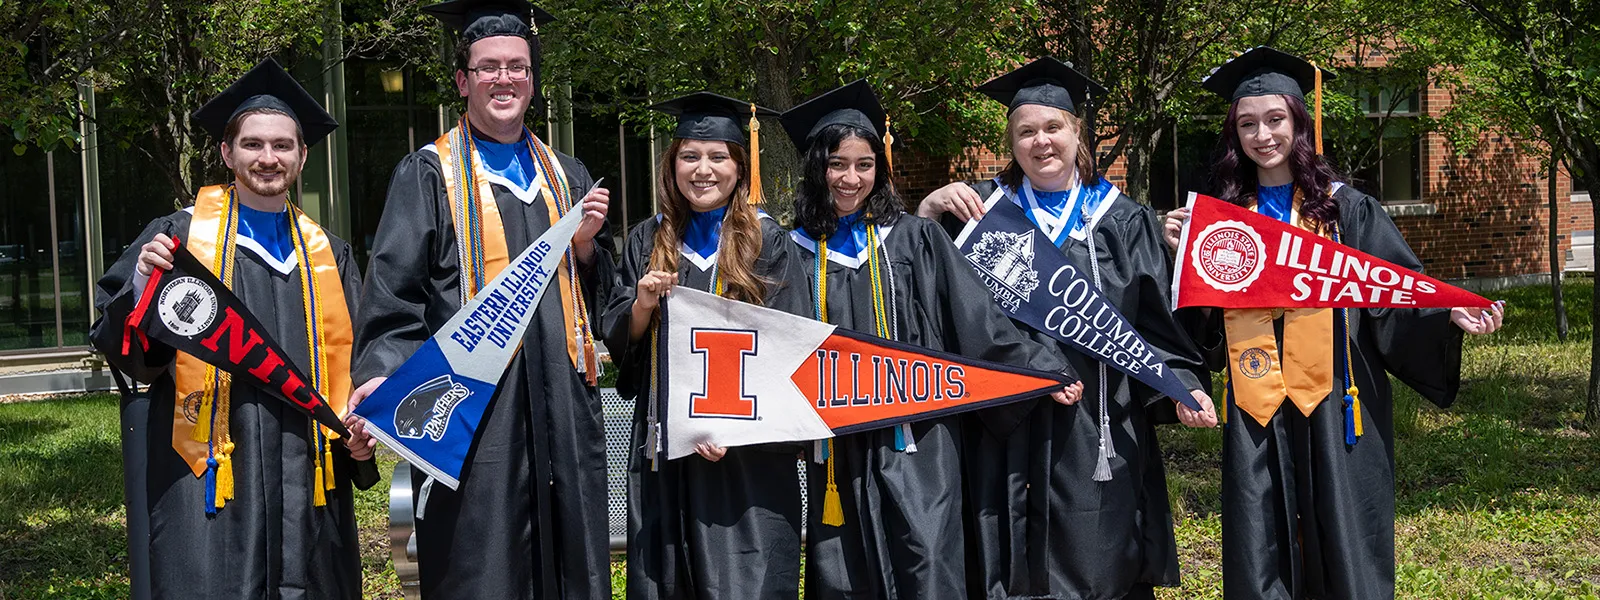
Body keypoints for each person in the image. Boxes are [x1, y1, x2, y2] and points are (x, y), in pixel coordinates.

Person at [1160, 46, 1503, 599]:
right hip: (1256, 403)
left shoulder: (1346, 212)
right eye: (1247, 124)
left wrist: (1444, 314)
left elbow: (1393, 294)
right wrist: (1181, 259)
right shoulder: (1222, 218)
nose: (1262, 135)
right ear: (1234, 135)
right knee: (1260, 537)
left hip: (1337, 398)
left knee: (1345, 536)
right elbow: (1198, 328)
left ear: (1299, 122)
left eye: (1275, 120)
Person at [916, 58, 1217, 599]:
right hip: (1005, 421)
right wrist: (928, 213)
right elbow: (929, 299)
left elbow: (1157, 328)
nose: (1041, 143)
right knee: (1009, 557)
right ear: (1010, 142)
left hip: (1097, 420)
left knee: (1098, 560)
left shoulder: (1123, 220)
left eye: (1053, 127)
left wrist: (1182, 384)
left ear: (1078, 133)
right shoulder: (979, 215)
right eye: (1026, 132)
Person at [343, 0, 615, 597]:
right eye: (489, 67)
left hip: (564, 411)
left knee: (571, 567)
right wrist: (382, 377)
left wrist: (591, 251)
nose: (504, 79)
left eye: (517, 67)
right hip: (471, 416)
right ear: (464, 80)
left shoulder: (567, 175)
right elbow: (394, 295)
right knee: (479, 565)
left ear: (533, 81)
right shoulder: (429, 174)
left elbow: (601, 303)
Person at [89, 58, 378, 599]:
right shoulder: (178, 238)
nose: (268, 158)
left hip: (307, 474)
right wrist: (143, 290)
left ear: (302, 155)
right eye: (252, 144)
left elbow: (359, 363)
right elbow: (128, 350)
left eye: (282, 145)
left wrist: (362, 427)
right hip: (209, 474)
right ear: (227, 153)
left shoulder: (329, 254)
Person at [783, 80, 1082, 600]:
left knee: (928, 556)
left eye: (864, 164)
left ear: (881, 167)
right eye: (837, 164)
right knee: (844, 567)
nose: (851, 178)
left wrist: (1038, 367)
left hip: (919, 433)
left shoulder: (915, 239)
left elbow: (974, 317)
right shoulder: (790, 251)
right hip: (838, 441)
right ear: (816, 168)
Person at [601, 92, 810, 599]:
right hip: (666, 447)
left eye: (718, 157)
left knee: (748, 581)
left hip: (747, 456)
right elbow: (622, 345)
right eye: (690, 156)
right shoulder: (646, 240)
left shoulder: (769, 241)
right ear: (671, 166)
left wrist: (734, 429)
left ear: (740, 166)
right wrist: (643, 305)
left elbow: (791, 345)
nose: (703, 170)